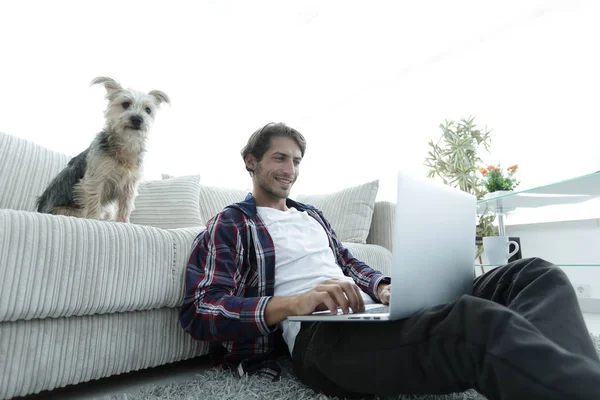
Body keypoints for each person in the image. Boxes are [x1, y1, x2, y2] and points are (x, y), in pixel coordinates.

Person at [179, 122, 600, 399]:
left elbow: (349, 262)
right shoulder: (232, 224)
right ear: (251, 162)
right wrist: (292, 304)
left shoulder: (311, 216)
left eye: (296, 161)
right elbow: (200, 310)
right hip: (319, 339)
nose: (290, 169)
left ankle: (573, 375)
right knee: (475, 324)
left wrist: (381, 286)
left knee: (535, 274)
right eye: (279, 158)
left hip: (367, 311)